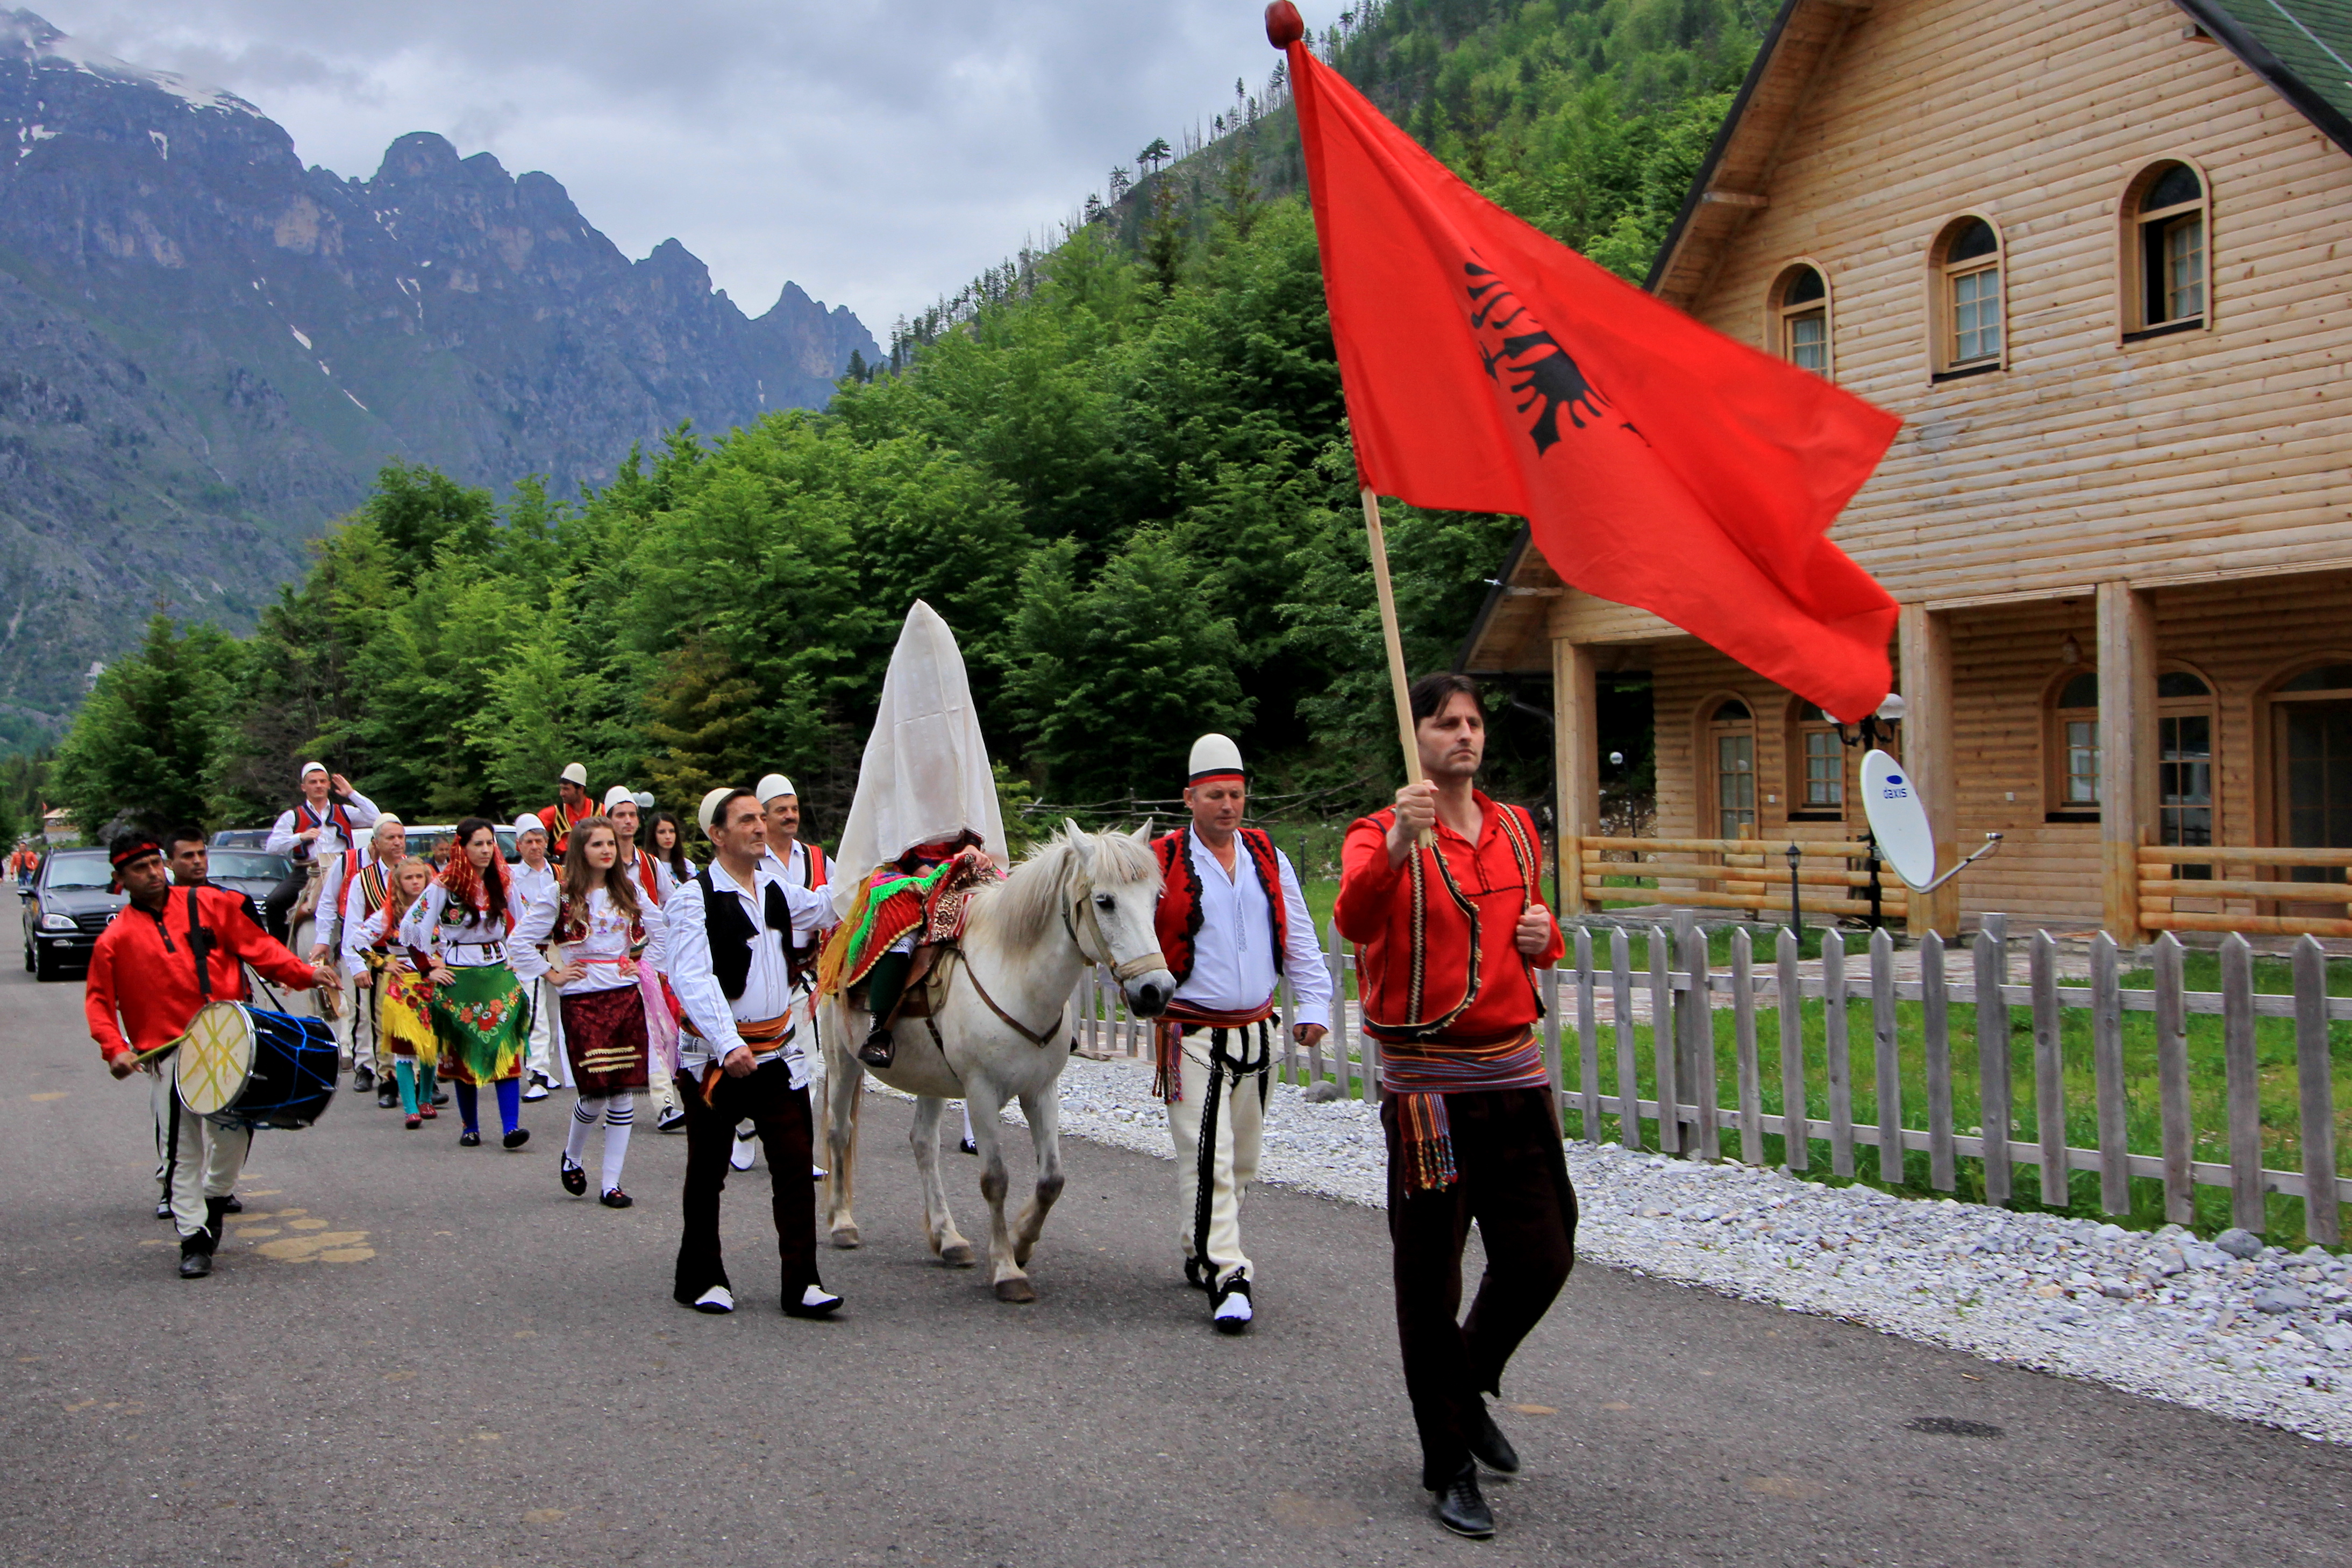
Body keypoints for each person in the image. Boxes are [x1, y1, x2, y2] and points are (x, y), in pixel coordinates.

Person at [1333, 673, 1571, 1542]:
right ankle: (1447, 1464)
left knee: (1543, 1252)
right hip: (1428, 1086)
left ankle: (1462, 1384)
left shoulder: (1513, 827)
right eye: (1445, 723)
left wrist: (1546, 940)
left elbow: (1532, 931)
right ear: (1419, 737)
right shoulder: (1378, 832)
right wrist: (1400, 838)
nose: (1463, 735)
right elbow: (1355, 919)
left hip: (1513, 1075)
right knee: (1427, 1280)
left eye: (1472, 723)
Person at [1151, 735, 1332, 1335]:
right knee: (1208, 1157)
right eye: (1214, 795)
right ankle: (1229, 1274)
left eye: (1235, 794)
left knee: (1245, 1159)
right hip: (1192, 1033)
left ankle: (1198, 1241)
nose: (1227, 806)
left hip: (1257, 1029)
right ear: (1190, 798)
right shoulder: (1160, 861)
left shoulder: (1265, 855)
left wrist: (1316, 1001)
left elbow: (1298, 931)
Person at [85, 835, 327, 1278]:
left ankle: (214, 1201)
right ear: (120, 880)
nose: (153, 873)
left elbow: (262, 949)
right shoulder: (113, 940)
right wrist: (115, 1049)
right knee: (181, 1151)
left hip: (227, 1042)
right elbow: (100, 1003)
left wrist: (308, 974)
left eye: (155, 864)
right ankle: (194, 1238)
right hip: (170, 1053)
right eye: (139, 869)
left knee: (235, 1135)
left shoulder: (210, 905)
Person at [666, 787, 839, 1317]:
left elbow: (831, 905)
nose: (761, 827)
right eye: (746, 820)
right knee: (708, 1172)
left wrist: (880, 862)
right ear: (717, 835)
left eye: (761, 818)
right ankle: (701, 1277)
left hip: (778, 1054)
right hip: (716, 1060)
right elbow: (691, 977)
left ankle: (803, 1283)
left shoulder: (777, 887)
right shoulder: (692, 897)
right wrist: (727, 1042)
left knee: (793, 1168)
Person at [512, 816, 664, 1207]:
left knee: (624, 1093)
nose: (607, 850)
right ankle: (573, 1155)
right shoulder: (560, 895)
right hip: (582, 999)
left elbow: (663, 930)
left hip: (625, 996)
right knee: (596, 1092)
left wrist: (642, 965)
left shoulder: (629, 890)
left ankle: (611, 1183)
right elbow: (520, 941)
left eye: (611, 844)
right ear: (582, 851)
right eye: (598, 844)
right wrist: (554, 974)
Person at [400, 817, 532, 1150]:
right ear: (463, 847)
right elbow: (413, 927)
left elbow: (529, 922)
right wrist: (427, 968)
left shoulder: (505, 880)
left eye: (490, 843)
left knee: (506, 1049)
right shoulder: (444, 885)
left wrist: (526, 958)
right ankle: (470, 1127)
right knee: (464, 1054)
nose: (486, 850)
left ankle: (511, 1128)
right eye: (479, 844)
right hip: (460, 975)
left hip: (498, 974)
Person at [357, 857, 442, 1128]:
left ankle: (426, 1099)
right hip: (403, 985)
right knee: (405, 1048)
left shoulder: (438, 909)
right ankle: (410, 1107)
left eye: (420, 876)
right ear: (398, 883)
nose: (415, 882)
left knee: (430, 1045)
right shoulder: (388, 913)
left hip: (433, 982)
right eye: (409, 878)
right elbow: (357, 941)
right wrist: (383, 963)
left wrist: (446, 959)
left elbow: (455, 938)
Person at [262, 762, 379, 939]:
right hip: (308, 871)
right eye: (313, 782)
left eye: (323, 781)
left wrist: (351, 794)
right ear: (304, 787)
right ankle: (281, 956)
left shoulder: (345, 811)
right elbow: (272, 847)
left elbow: (376, 819)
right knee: (274, 903)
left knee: (373, 896)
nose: (319, 785)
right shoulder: (292, 816)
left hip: (342, 869)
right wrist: (300, 837)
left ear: (328, 785)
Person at [509, 817, 566, 1103]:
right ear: (519, 846)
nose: (535, 847)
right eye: (529, 842)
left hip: (556, 949)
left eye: (539, 841)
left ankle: (548, 1065)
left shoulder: (559, 873)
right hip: (529, 950)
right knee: (535, 1014)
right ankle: (537, 1072)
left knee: (556, 1013)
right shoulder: (510, 878)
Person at [536, 762, 596, 857]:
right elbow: (529, 836)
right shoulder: (552, 814)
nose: (562, 794)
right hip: (562, 865)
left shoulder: (601, 811)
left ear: (580, 789)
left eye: (566, 789)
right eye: (561, 789)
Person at [647, 810, 693, 900]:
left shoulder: (688, 866)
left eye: (672, 831)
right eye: (662, 832)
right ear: (653, 835)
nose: (668, 836)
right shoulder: (647, 865)